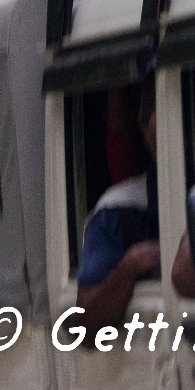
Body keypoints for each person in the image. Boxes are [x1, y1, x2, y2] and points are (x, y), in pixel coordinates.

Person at [76, 94, 160, 331]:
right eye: (150, 115)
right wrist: (130, 265)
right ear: (142, 129)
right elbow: (86, 325)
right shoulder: (119, 208)